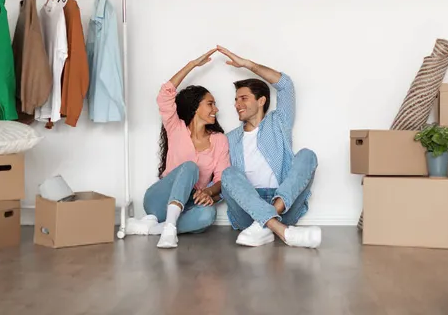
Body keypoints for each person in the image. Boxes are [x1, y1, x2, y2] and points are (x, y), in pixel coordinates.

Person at [216, 45, 321, 249]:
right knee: (227, 173)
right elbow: (223, 181)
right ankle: (281, 231)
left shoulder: (278, 122)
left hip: (283, 202)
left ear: (262, 100)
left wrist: (248, 65)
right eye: (236, 100)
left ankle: (264, 224)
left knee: (308, 155)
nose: (237, 104)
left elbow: (286, 85)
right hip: (247, 208)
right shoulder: (229, 138)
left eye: (243, 98)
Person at [126, 48, 230, 248]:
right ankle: (169, 228)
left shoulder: (219, 140)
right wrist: (192, 65)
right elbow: (165, 94)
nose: (216, 109)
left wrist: (207, 193)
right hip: (159, 200)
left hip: (190, 203)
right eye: (210, 104)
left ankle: (156, 228)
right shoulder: (176, 128)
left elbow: (221, 179)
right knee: (190, 167)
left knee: (208, 215)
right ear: (195, 107)